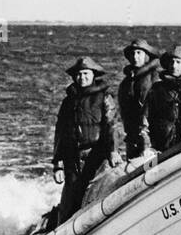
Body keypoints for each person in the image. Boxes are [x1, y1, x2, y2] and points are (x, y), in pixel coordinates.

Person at [52, 56, 125, 225]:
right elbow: (60, 133)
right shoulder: (68, 102)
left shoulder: (105, 98)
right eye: (79, 74)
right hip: (72, 160)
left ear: (93, 75)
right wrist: (58, 164)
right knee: (68, 204)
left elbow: (112, 127)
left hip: (96, 158)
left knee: (95, 198)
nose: (82, 77)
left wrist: (113, 152)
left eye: (86, 74)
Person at [117, 38, 160, 160]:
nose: (135, 56)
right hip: (132, 136)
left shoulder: (156, 77)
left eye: (139, 53)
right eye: (132, 53)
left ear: (147, 55)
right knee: (135, 172)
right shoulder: (126, 82)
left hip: (152, 137)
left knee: (151, 172)